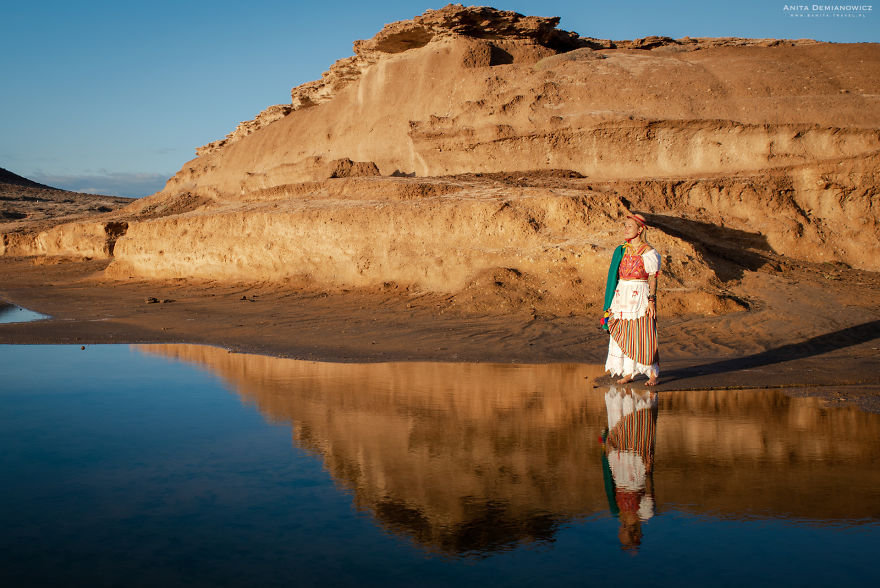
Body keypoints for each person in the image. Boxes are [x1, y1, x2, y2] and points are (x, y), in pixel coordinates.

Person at [601, 213, 661, 385]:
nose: (625, 229)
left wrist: (651, 300)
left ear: (640, 229)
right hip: (622, 293)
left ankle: (652, 374)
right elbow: (614, 276)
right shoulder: (621, 250)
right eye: (625, 226)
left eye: (629, 226)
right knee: (623, 331)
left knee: (643, 332)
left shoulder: (648, 252)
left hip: (639, 292)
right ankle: (629, 371)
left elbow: (652, 277)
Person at [599, 385, 658, 551]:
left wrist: (605, 452)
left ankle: (625, 391)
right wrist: (647, 470)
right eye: (622, 533)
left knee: (619, 430)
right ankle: (646, 394)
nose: (619, 530)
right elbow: (648, 489)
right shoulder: (645, 513)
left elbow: (609, 484)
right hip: (635, 473)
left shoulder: (617, 512)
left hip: (619, 471)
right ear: (630, 531)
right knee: (638, 432)